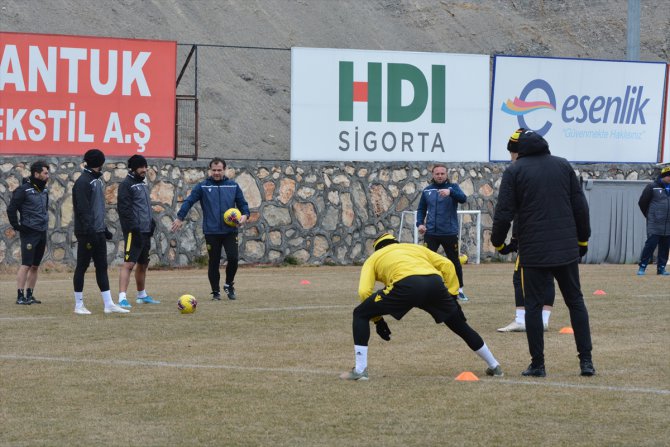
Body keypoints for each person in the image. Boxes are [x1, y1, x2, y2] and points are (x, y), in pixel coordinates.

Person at [491, 128, 594, 377]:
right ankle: (586, 362)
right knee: (576, 302)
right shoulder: (562, 165)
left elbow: (504, 211)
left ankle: (538, 364)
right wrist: (582, 240)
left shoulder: (514, 171)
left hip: (534, 252)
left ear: (519, 151)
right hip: (566, 248)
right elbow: (580, 206)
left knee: (533, 307)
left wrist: (499, 243)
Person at [340, 233, 503, 381]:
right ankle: (494, 366)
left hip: (405, 285)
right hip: (434, 283)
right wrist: (452, 296)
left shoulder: (374, 258)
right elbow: (447, 265)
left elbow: (364, 291)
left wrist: (378, 320)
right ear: (396, 242)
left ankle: (360, 370)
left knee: (360, 314)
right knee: (460, 325)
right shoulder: (414, 248)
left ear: (377, 249)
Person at [171, 158, 249, 300]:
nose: (216, 173)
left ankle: (228, 284)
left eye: (219, 170)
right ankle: (215, 292)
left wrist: (245, 216)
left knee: (233, 258)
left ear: (224, 170)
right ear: (210, 170)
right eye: (214, 170)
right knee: (214, 261)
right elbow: (189, 201)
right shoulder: (203, 186)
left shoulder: (233, 186)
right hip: (212, 231)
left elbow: (243, 205)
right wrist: (180, 217)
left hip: (230, 231)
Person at [72, 149, 129, 315]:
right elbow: (83, 210)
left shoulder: (96, 181)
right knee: (81, 267)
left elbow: (97, 209)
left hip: (97, 232)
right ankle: (79, 305)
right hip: (86, 232)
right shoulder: (83, 182)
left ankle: (108, 304)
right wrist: (90, 231)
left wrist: (103, 229)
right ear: (100, 162)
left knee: (102, 267)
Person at [416, 164, 470, 301]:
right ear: (433, 175)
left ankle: (459, 290)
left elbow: (463, 199)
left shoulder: (453, 188)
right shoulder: (427, 190)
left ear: (446, 174)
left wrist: (450, 192)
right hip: (431, 234)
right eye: (437, 173)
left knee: (454, 261)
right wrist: (420, 224)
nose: (440, 176)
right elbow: (421, 209)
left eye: (442, 173)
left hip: (449, 233)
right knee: (427, 262)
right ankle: (427, 291)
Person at [116, 154, 160, 308]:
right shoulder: (126, 185)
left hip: (145, 231)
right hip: (133, 232)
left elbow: (144, 207)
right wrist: (132, 227)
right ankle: (122, 298)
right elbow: (124, 209)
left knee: (143, 264)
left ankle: (142, 295)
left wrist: (151, 222)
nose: (144, 169)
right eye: (141, 167)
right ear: (133, 168)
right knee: (129, 264)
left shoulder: (142, 184)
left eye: (145, 166)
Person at [7, 160, 50, 305]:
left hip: (42, 232)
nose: (47, 175)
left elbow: (44, 209)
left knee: (35, 266)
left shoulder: (44, 190)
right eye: (45, 173)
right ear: (36, 174)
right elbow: (11, 209)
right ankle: (20, 296)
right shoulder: (23, 190)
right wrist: (17, 226)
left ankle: (30, 294)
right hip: (29, 232)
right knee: (26, 264)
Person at [496, 237, 554, 332]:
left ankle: (520, 320)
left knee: (518, 278)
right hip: (553, 242)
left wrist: (512, 240)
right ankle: (544, 320)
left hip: (530, 241)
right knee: (548, 277)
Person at [636, 165, 670, 276]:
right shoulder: (652, 187)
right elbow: (642, 202)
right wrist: (650, 216)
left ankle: (661, 268)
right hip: (654, 223)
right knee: (650, 245)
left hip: (668, 224)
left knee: (665, 247)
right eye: (669, 175)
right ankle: (642, 267)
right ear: (663, 176)